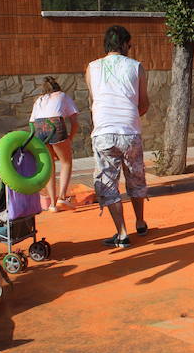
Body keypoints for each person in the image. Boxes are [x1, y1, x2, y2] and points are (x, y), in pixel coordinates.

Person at [85, 25, 150, 249]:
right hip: (130, 131)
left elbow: (95, 101)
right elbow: (143, 103)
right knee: (135, 176)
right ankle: (140, 222)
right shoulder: (136, 67)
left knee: (108, 183)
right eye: (129, 45)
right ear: (123, 44)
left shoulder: (92, 68)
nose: (130, 49)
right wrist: (130, 117)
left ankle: (121, 233)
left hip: (103, 131)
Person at [30, 76, 79, 212]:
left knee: (50, 166)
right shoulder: (62, 96)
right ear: (58, 87)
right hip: (54, 124)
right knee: (66, 162)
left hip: (39, 127)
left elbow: (32, 123)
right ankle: (62, 197)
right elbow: (74, 122)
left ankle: (52, 204)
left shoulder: (39, 100)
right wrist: (70, 137)